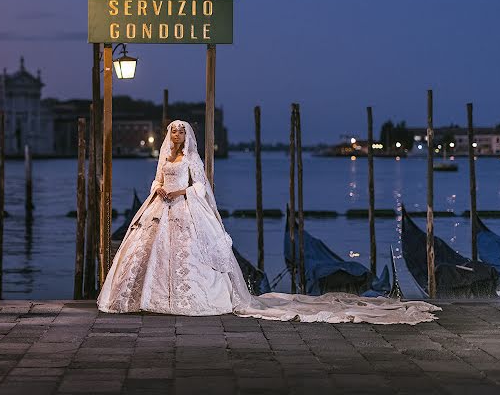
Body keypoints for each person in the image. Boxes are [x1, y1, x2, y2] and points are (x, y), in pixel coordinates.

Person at [97, 120, 439, 323]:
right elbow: (157, 179)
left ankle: (187, 299)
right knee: (149, 253)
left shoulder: (190, 158)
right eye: (172, 133)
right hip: (161, 206)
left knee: (190, 255)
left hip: (184, 207)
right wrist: (160, 191)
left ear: (185, 137)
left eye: (179, 133)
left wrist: (181, 194)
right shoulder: (166, 156)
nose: (175, 137)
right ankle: (150, 298)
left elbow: (199, 185)